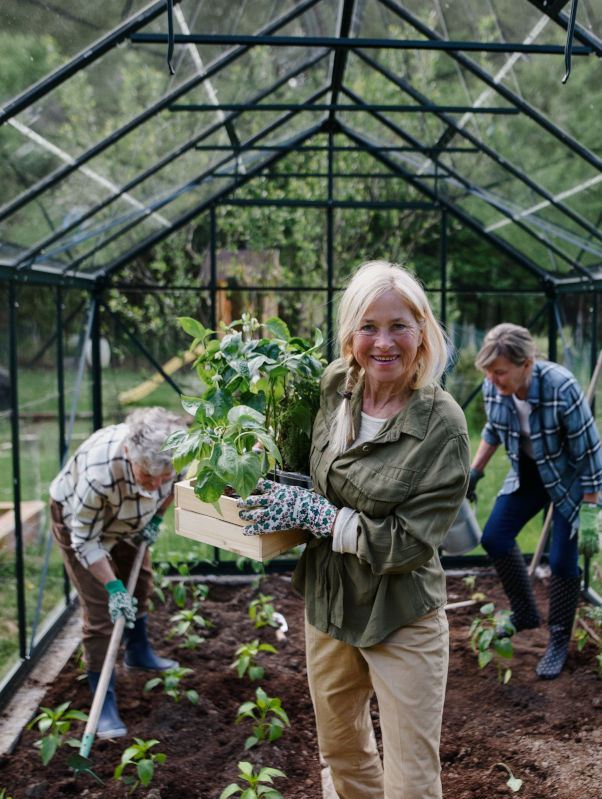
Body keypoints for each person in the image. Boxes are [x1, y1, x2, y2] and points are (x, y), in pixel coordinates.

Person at [237, 261, 469, 799]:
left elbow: (410, 544)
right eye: (368, 327)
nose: (383, 342)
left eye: (398, 327)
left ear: (423, 333)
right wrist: (263, 476)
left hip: (400, 613)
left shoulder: (443, 426)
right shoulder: (335, 387)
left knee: (411, 779)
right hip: (329, 603)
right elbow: (312, 468)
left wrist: (320, 516)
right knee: (341, 752)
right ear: (349, 335)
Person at [468, 323, 602, 679]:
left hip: (569, 480)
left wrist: (589, 514)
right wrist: (474, 473)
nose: (493, 379)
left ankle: (559, 638)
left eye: (500, 372)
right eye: (488, 371)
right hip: (529, 475)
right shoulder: (493, 386)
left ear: (526, 365)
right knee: (495, 537)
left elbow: (590, 454)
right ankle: (525, 614)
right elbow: (494, 431)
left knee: (562, 560)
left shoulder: (562, 388)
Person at [48, 406, 185, 739]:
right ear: (128, 453)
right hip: (82, 528)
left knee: (140, 586)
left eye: (161, 478)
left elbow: (173, 486)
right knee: (100, 614)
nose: (154, 486)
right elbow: (85, 540)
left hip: (131, 519)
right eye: (146, 477)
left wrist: (155, 517)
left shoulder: (176, 454)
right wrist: (112, 588)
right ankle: (102, 701)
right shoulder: (99, 475)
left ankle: (138, 653)